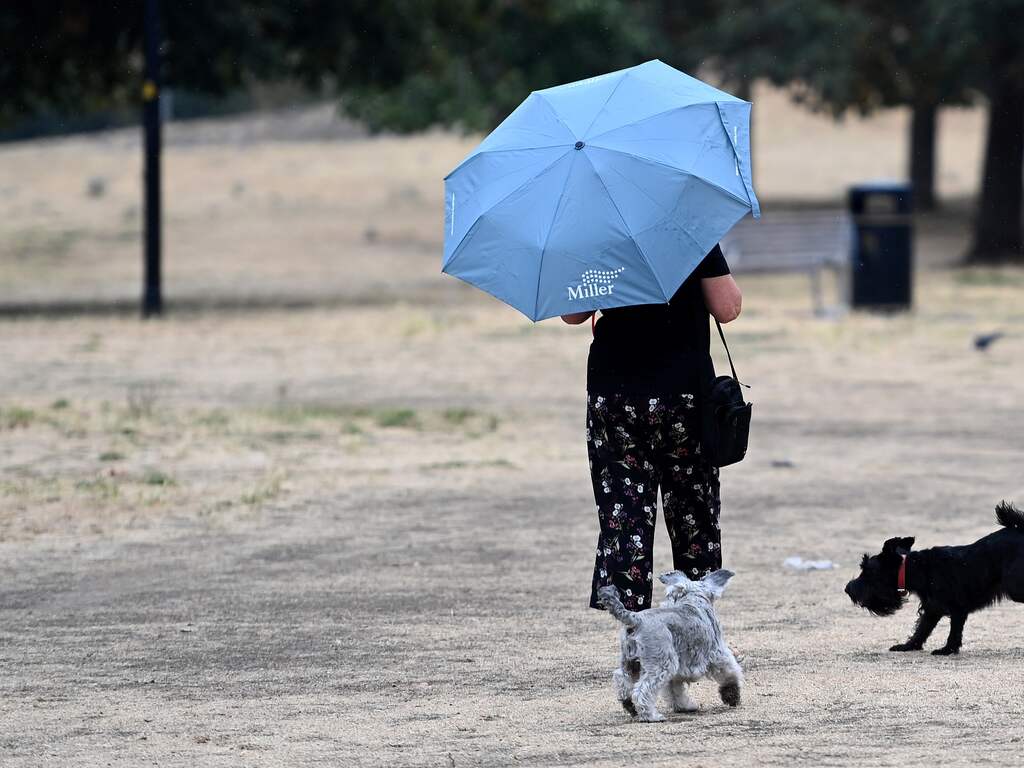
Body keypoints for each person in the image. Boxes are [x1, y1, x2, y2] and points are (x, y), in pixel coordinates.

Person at [561, 245, 742, 611]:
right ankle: (698, 628)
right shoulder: (686, 228)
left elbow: (572, 313)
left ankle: (636, 639)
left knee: (625, 516)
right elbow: (728, 307)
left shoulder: (597, 233)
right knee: (693, 514)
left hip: (615, 395)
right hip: (684, 395)